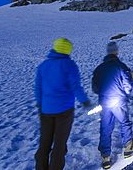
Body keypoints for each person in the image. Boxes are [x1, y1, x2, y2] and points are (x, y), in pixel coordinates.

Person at [34, 38, 91, 170]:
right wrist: (85, 101)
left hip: (46, 110)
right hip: (64, 110)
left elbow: (38, 87)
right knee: (59, 145)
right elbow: (75, 86)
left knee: (44, 143)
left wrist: (39, 104)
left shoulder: (44, 65)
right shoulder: (69, 65)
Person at [92, 42, 133, 169]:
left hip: (104, 102)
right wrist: (125, 94)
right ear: (116, 52)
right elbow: (128, 84)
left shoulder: (99, 68)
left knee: (106, 128)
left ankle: (106, 157)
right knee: (125, 123)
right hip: (118, 101)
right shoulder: (121, 66)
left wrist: (103, 93)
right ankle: (128, 148)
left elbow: (95, 87)